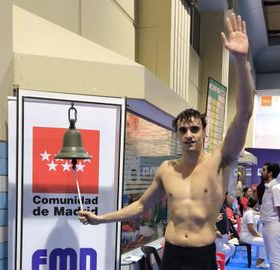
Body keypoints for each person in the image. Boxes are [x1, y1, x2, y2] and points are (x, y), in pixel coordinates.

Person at [78, 12, 254, 270]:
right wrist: (100, 219)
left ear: (204, 132)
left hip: (201, 255)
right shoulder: (167, 170)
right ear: (177, 135)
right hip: (171, 254)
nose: (189, 135)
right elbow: (139, 206)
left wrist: (240, 60)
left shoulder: (220, 161)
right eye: (183, 130)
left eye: (194, 129)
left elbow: (244, 114)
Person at [260, 162, 280, 270]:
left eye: (264, 170)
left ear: (270, 173)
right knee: (271, 258)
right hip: (267, 225)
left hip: (273, 226)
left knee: (274, 259)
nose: (261, 172)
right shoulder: (269, 187)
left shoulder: (276, 188)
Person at [240, 197, 269, 269]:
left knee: (264, 240)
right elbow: (251, 229)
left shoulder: (249, 211)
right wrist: (260, 236)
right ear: (256, 205)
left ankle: (260, 259)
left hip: (247, 235)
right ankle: (260, 262)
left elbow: (255, 213)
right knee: (266, 241)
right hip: (246, 236)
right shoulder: (249, 214)